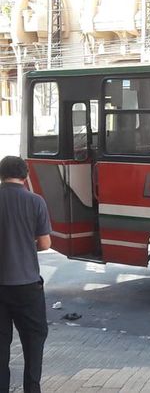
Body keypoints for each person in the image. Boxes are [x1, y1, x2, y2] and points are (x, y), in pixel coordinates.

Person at [0, 156, 51, 393]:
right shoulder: (35, 201)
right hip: (28, 286)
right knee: (34, 342)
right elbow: (44, 244)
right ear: (26, 175)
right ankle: (32, 388)